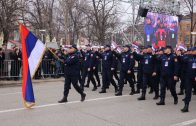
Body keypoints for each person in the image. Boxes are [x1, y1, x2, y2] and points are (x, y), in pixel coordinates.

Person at [179, 47, 196, 112]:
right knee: (188, 91)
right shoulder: (188, 57)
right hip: (189, 77)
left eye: (193, 50)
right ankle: (186, 106)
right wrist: (179, 55)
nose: (192, 51)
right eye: (191, 50)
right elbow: (182, 61)